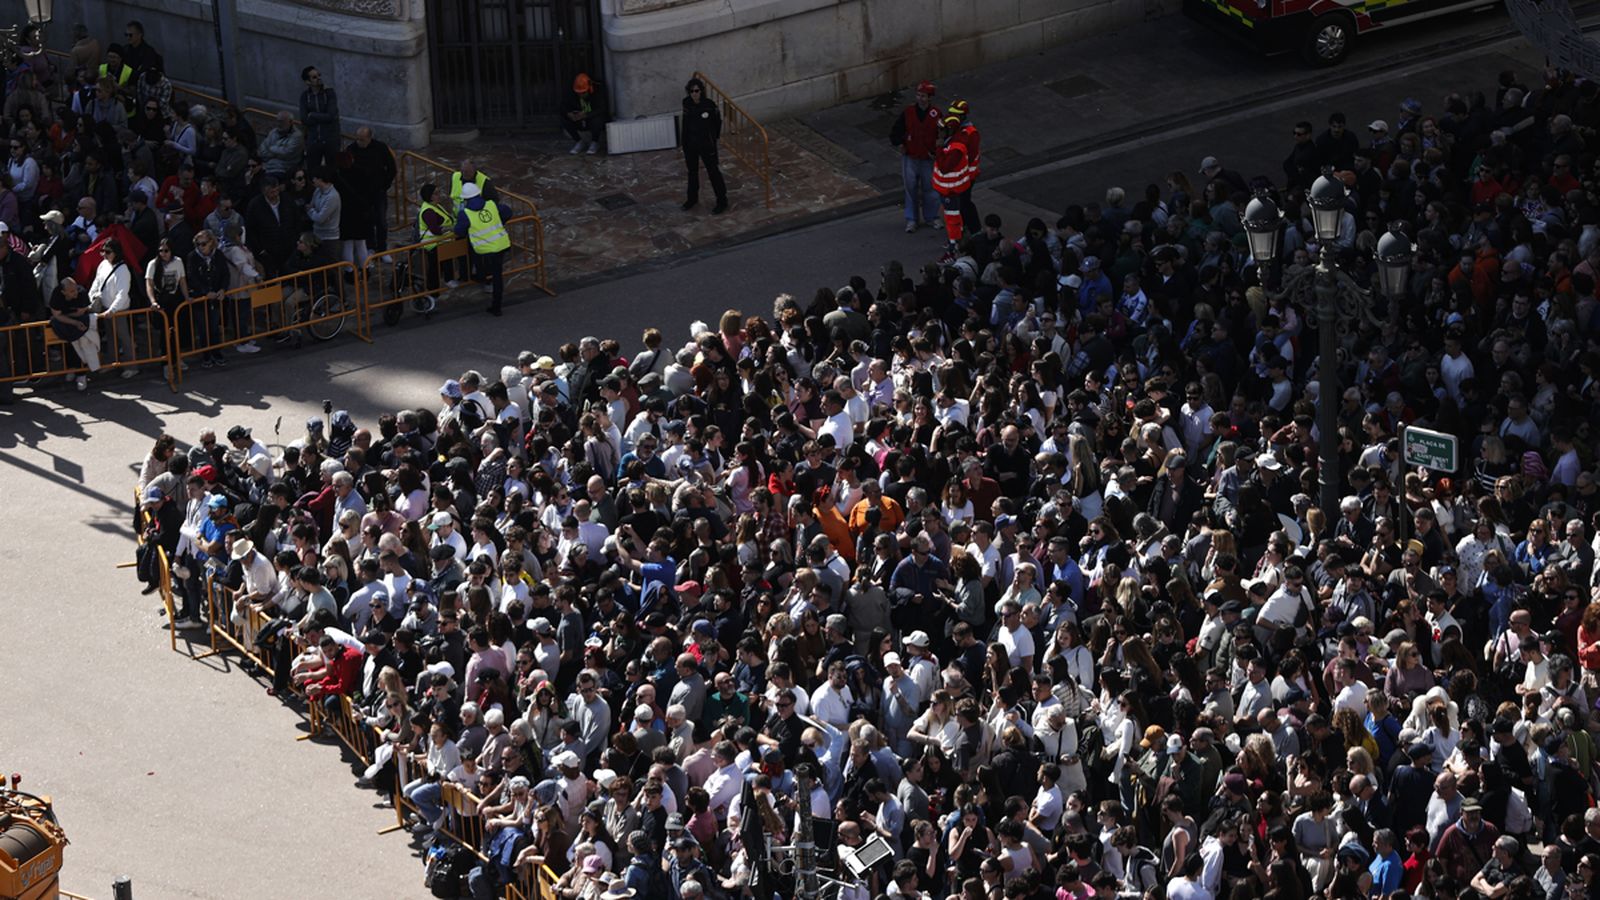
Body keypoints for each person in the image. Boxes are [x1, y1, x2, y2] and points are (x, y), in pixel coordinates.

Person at [890, 80, 940, 234]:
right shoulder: (908, 112)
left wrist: (937, 150)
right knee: (910, 189)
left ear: (929, 98)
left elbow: (942, 135)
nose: (920, 98)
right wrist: (900, 143)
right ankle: (912, 220)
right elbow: (895, 131)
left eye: (923, 96)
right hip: (910, 157)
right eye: (918, 95)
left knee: (930, 189)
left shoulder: (936, 114)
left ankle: (932, 217)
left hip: (927, 158)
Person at [453, 181, 509, 317]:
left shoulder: (465, 214)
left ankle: (493, 301)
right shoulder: (491, 204)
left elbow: (459, 231)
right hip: (501, 244)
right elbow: (508, 211)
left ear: (465, 199)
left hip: (483, 249)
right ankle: (496, 304)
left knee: (485, 269)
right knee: (497, 276)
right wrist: (498, 222)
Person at [679, 77, 727, 214]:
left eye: (697, 91)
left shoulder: (709, 105)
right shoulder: (686, 103)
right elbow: (685, 123)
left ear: (701, 91)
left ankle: (722, 201)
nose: (694, 94)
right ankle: (692, 199)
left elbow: (717, 122)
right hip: (691, 145)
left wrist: (713, 138)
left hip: (706, 145)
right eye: (691, 91)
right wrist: (684, 143)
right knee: (692, 172)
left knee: (713, 172)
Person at [299, 65, 340, 172]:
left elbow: (331, 116)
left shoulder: (329, 93)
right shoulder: (305, 96)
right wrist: (321, 117)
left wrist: (313, 115)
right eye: (314, 77)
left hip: (330, 139)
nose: (318, 78)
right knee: (313, 170)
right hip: (314, 140)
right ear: (307, 82)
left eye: (319, 75)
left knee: (332, 170)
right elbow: (304, 119)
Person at [561, 73, 605, 155]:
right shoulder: (571, 93)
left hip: (590, 119)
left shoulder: (597, 92)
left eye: (583, 92)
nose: (581, 95)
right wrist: (569, 114)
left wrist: (586, 115)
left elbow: (601, 109)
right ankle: (579, 142)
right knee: (564, 120)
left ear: (589, 89)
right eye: (579, 93)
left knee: (597, 120)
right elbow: (563, 106)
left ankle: (595, 142)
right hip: (578, 119)